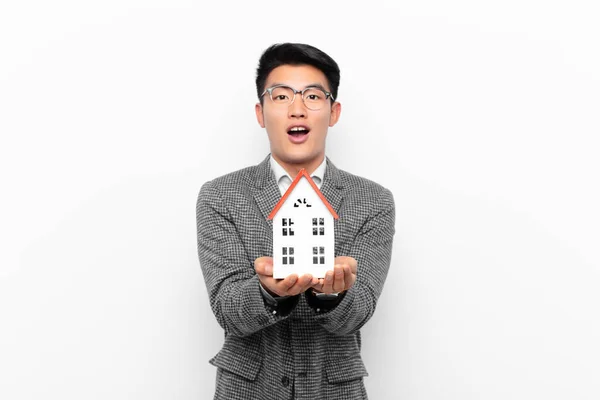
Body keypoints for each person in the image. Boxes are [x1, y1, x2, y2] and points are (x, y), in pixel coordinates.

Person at [196, 42, 395, 400]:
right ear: (261, 112)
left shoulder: (374, 201)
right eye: (282, 96)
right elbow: (227, 310)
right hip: (247, 389)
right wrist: (268, 292)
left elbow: (360, 310)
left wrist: (332, 295)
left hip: (334, 389)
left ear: (333, 112)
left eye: (313, 96)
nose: (298, 109)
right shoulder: (220, 196)